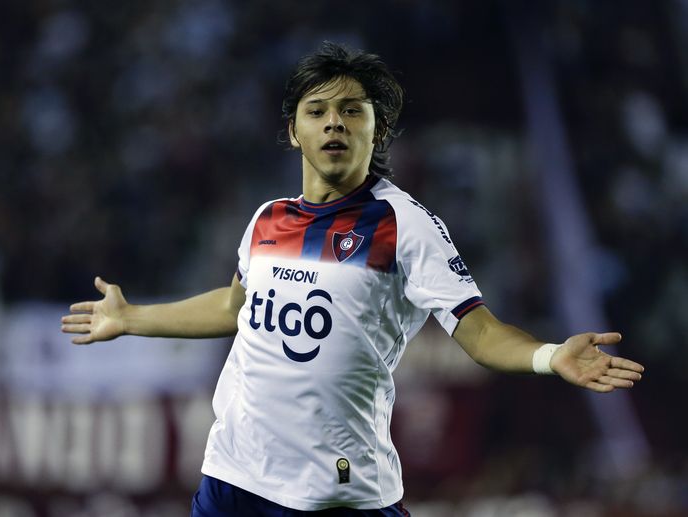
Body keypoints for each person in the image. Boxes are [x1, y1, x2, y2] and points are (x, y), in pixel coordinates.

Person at [61, 42, 644, 516]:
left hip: (339, 492)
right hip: (233, 479)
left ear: (378, 130)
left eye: (352, 111)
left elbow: (481, 333)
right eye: (316, 111)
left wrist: (549, 356)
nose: (333, 123)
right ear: (294, 131)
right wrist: (131, 317)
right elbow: (234, 307)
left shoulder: (404, 224)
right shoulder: (267, 219)